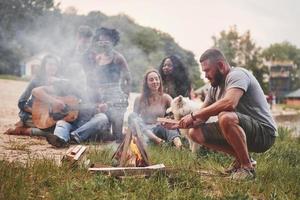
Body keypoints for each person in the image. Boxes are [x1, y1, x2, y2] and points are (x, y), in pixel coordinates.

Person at [164, 48, 277, 180]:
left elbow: (229, 103)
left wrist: (193, 115)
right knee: (194, 132)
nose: (205, 75)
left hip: (264, 134)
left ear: (221, 66)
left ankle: (247, 169)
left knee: (225, 117)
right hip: (245, 130)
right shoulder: (213, 88)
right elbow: (201, 117)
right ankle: (243, 159)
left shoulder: (237, 75)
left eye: (207, 70)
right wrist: (178, 124)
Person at [83, 27, 131, 142]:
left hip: (116, 96)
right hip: (101, 96)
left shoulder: (118, 58)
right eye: (101, 40)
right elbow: (92, 78)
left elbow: (128, 78)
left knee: (117, 133)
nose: (103, 43)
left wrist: (126, 95)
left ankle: (121, 147)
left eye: (106, 40)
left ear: (113, 41)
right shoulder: (98, 58)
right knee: (103, 134)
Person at [31, 81, 110, 148]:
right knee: (61, 123)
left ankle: (75, 137)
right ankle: (61, 140)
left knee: (102, 117)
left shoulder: (94, 92)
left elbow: (100, 111)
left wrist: (100, 109)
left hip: (86, 127)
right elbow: (35, 91)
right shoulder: (66, 85)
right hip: (70, 125)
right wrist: (54, 101)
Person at [4, 54, 61, 137]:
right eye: (50, 64)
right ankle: (22, 130)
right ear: (44, 66)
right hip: (31, 116)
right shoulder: (36, 81)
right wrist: (37, 112)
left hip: (48, 117)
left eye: (55, 65)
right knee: (53, 132)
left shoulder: (59, 81)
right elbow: (21, 102)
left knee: (61, 128)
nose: (53, 67)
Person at [128, 69, 182, 148]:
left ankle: (179, 145)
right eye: (151, 80)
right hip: (146, 131)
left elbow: (176, 113)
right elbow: (134, 120)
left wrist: (169, 118)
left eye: (157, 79)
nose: (155, 82)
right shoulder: (139, 99)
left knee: (169, 125)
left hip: (160, 128)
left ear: (160, 81)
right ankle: (158, 141)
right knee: (132, 116)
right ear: (146, 83)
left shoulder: (166, 97)